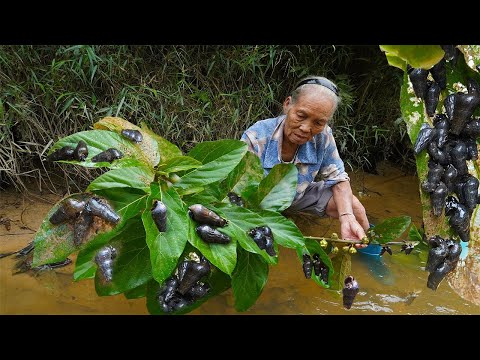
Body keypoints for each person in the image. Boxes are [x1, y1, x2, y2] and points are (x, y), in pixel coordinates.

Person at [240, 76, 370, 247]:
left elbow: (338, 178)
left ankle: (364, 240)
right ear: (287, 105)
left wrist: (347, 217)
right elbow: (240, 191)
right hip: (262, 201)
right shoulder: (256, 137)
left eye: (318, 122)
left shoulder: (324, 136)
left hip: (299, 194)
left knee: (353, 207)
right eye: (301, 116)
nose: (306, 128)